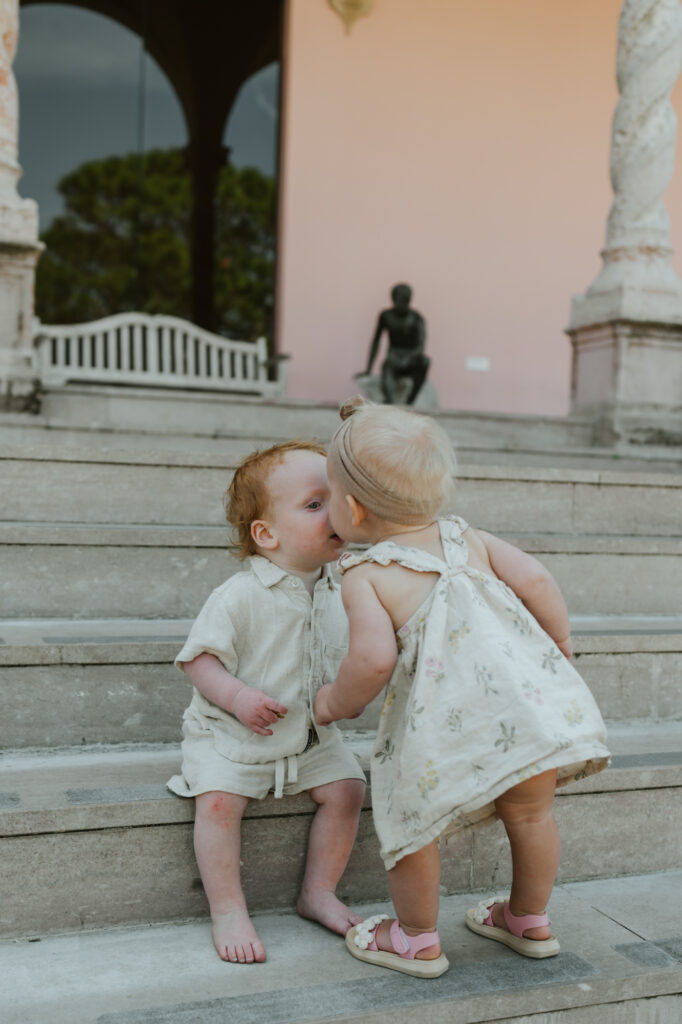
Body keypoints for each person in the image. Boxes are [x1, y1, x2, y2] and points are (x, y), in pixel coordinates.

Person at [314, 399, 610, 979]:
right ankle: (527, 919)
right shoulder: (466, 537)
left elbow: (372, 660)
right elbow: (538, 579)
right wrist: (561, 643)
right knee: (532, 816)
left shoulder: (367, 574)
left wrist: (332, 703)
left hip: (444, 728)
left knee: (413, 825)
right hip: (526, 713)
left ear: (352, 507)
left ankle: (416, 939)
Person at [168, 440, 366, 965]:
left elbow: (357, 653)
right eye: (314, 503)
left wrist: (353, 692)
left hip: (310, 736)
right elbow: (198, 661)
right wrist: (236, 698)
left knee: (347, 790)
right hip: (232, 732)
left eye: (339, 498)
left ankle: (317, 891)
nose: (336, 511)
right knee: (216, 803)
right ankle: (228, 909)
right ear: (266, 533)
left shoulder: (347, 586)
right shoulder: (239, 595)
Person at [360, 283, 430, 404]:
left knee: (425, 361)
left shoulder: (416, 318)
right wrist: (368, 369)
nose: (402, 303)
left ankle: (410, 400)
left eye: (405, 300)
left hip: (411, 359)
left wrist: (408, 358)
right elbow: (376, 342)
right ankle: (390, 401)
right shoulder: (386, 316)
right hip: (394, 357)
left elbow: (420, 346)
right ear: (393, 299)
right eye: (399, 299)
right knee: (387, 369)